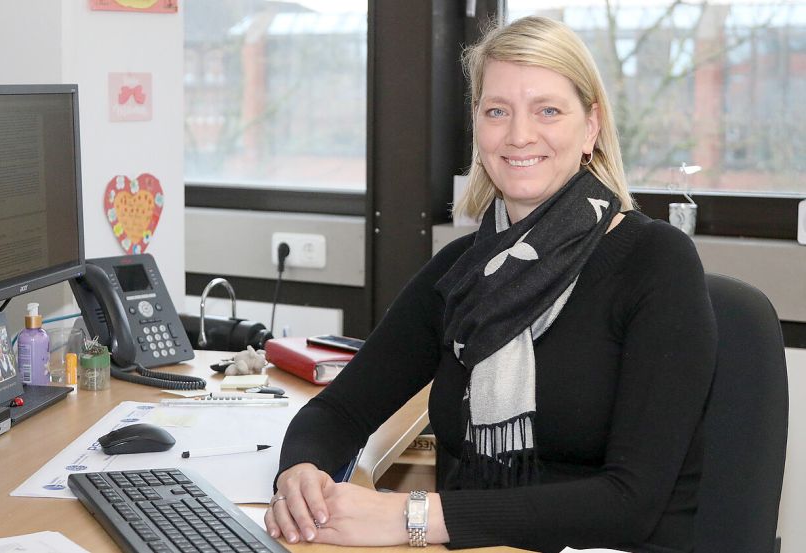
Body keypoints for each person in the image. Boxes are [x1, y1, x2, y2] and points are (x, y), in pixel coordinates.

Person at [265, 15, 716, 553]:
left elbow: (630, 504)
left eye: (548, 110)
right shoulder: (462, 272)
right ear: (477, 127)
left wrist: (412, 516)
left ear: (591, 127)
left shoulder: (656, 261)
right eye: (497, 111)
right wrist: (300, 473)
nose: (519, 135)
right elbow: (338, 411)